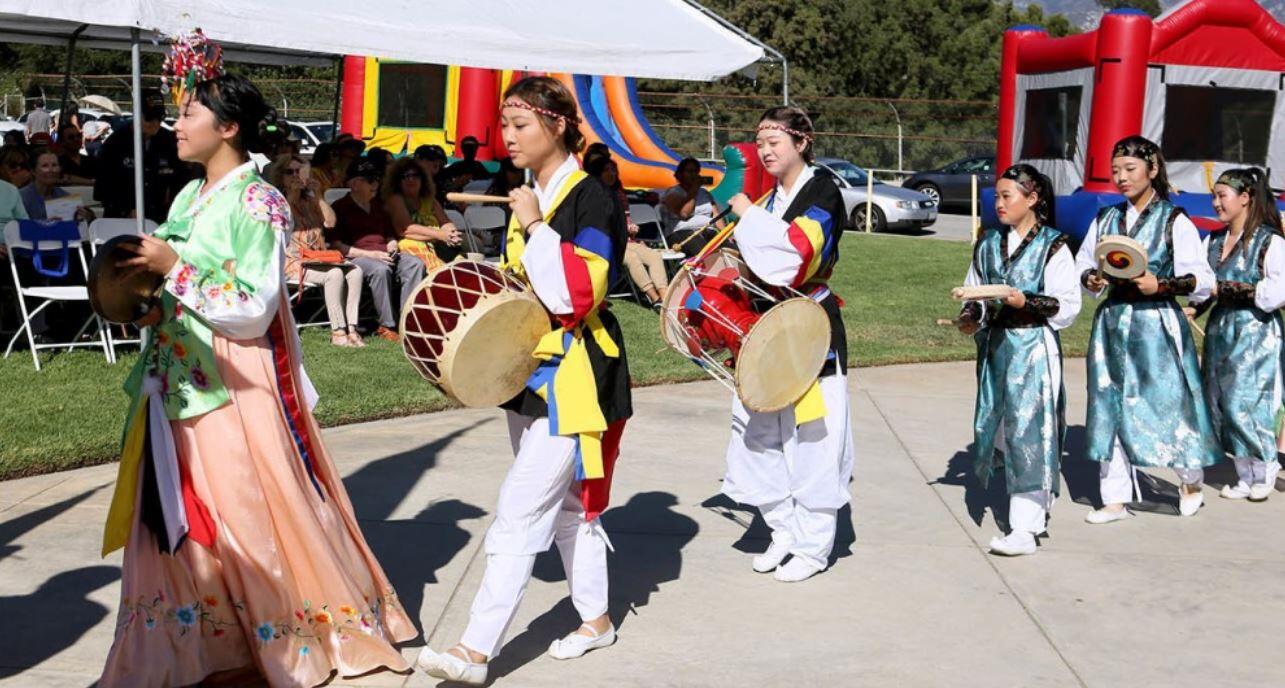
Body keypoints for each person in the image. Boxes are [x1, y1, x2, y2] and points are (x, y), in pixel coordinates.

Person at [98, 70, 414, 688]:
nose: (179, 124)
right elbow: (168, 287)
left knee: (246, 506)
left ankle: (287, 634)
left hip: (235, 375)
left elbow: (254, 307)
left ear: (229, 127)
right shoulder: (189, 197)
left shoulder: (259, 201)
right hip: (177, 374)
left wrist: (174, 268)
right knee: (180, 510)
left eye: (191, 114)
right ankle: (197, 642)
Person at [416, 76, 632, 685]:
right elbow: (523, 291)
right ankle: (596, 620)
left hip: (577, 379)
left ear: (558, 125)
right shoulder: (529, 191)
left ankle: (473, 650)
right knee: (566, 508)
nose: (506, 137)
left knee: (519, 510)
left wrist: (536, 228)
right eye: (504, 126)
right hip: (532, 375)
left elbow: (578, 292)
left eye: (520, 125)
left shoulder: (591, 199)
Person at [723, 106, 854, 583]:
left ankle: (814, 544)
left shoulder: (823, 192)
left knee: (812, 436)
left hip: (811, 328)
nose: (765, 150)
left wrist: (746, 216)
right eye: (760, 142)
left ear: (803, 141)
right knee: (759, 432)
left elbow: (796, 253)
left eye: (775, 140)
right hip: (769, 326)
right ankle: (782, 528)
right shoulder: (772, 198)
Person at [1075, 135, 1220, 522]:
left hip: (1157, 321)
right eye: (1116, 170)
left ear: (1152, 171)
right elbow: (1084, 264)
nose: (1121, 177)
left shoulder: (1175, 221)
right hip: (1113, 321)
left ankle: (1190, 478)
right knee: (1108, 402)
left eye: (1130, 169)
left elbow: (1202, 279)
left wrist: (1163, 285)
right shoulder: (1105, 218)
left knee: (1170, 401)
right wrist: (1091, 278)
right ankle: (1115, 497)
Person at [957, 164, 1080, 556]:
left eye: (1007, 196)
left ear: (1033, 198)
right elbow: (975, 293)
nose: (999, 203)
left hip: (1033, 347)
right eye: (996, 197)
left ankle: (1025, 526)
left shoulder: (1054, 245)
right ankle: (1027, 506)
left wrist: (1023, 300)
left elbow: (1067, 305)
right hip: (996, 347)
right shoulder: (989, 243)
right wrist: (969, 319)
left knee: (1030, 429)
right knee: (998, 427)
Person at [1191, 168, 1285, 502]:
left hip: (1256, 331)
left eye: (1223, 196)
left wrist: (1225, 289)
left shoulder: (1269, 241)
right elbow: (1203, 286)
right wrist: (1193, 307)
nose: (1216, 203)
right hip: (1221, 329)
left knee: (1247, 400)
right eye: (1214, 196)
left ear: (1245, 198)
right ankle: (1245, 474)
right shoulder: (1213, 242)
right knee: (1221, 401)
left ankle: (1265, 466)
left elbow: (1276, 292)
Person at [267, 154, 365, 348]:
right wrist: (293, 195)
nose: (295, 176)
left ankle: (352, 329)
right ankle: (338, 332)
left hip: (319, 257)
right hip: (291, 261)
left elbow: (330, 222)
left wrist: (319, 195)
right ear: (281, 176)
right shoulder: (276, 200)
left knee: (356, 271)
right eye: (290, 172)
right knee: (335, 275)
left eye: (299, 171)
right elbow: (284, 223)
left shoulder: (310, 200)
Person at [328, 158, 425, 341]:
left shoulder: (379, 206)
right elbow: (337, 245)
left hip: (383, 252)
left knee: (415, 264)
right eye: (371, 180)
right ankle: (387, 325)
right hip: (357, 256)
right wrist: (371, 254)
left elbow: (389, 234)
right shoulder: (340, 208)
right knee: (380, 269)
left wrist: (392, 245)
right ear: (356, 183)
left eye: (377, 180)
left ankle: (407, 320)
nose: (376, 184)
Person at [94, 88, 191, 223]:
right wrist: (126, 210)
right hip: (121, 219)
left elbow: (182, 178)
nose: (155, 123)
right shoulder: (115, 143)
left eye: (160, 117)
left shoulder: (169, 141)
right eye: (150, 117)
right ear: (136, 115)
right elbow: (103, 188)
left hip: (160, 218)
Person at [587, 155, 667, 307]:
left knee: (654, 256)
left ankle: (665, 297)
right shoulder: (593, 196)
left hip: (627, 240)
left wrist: (631, 228)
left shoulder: (619, 195)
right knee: (632, 258)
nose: (611, 174)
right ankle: (654, 298)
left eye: (613, 170)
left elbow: (626, 220)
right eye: (606, 170)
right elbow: (597, 226)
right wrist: (623, 229)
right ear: (598, 174)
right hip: (608, 244)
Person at [381, 156, 463, 267]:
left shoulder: (430, 200)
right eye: (405, 176)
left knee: (464, 258)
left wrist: (451, 232)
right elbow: (405, 229)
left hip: (437, 243)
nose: (411, 179)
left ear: (423, 179)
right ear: (397, 181)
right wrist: (440, 234)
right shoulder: (395, 199)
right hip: (409, 243)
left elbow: (445, 221)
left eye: (415, 175)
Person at [661, 157, 724, 248]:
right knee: (703, 250)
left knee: (730, 248)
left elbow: (716, 215)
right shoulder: (673, 193)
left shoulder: (704, 192)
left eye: (696, 172)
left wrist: (725, 235)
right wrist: (693, 191)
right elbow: (685, 214)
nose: (693, 175)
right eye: (690, 172)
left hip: (707, 231)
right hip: (681, 233)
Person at [20, 149, 96, 222]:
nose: (51, 170)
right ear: (33, 171)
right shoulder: (21, 198)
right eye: (45, 166)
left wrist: (88, 216)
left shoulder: (65, 197)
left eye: (54, 165)